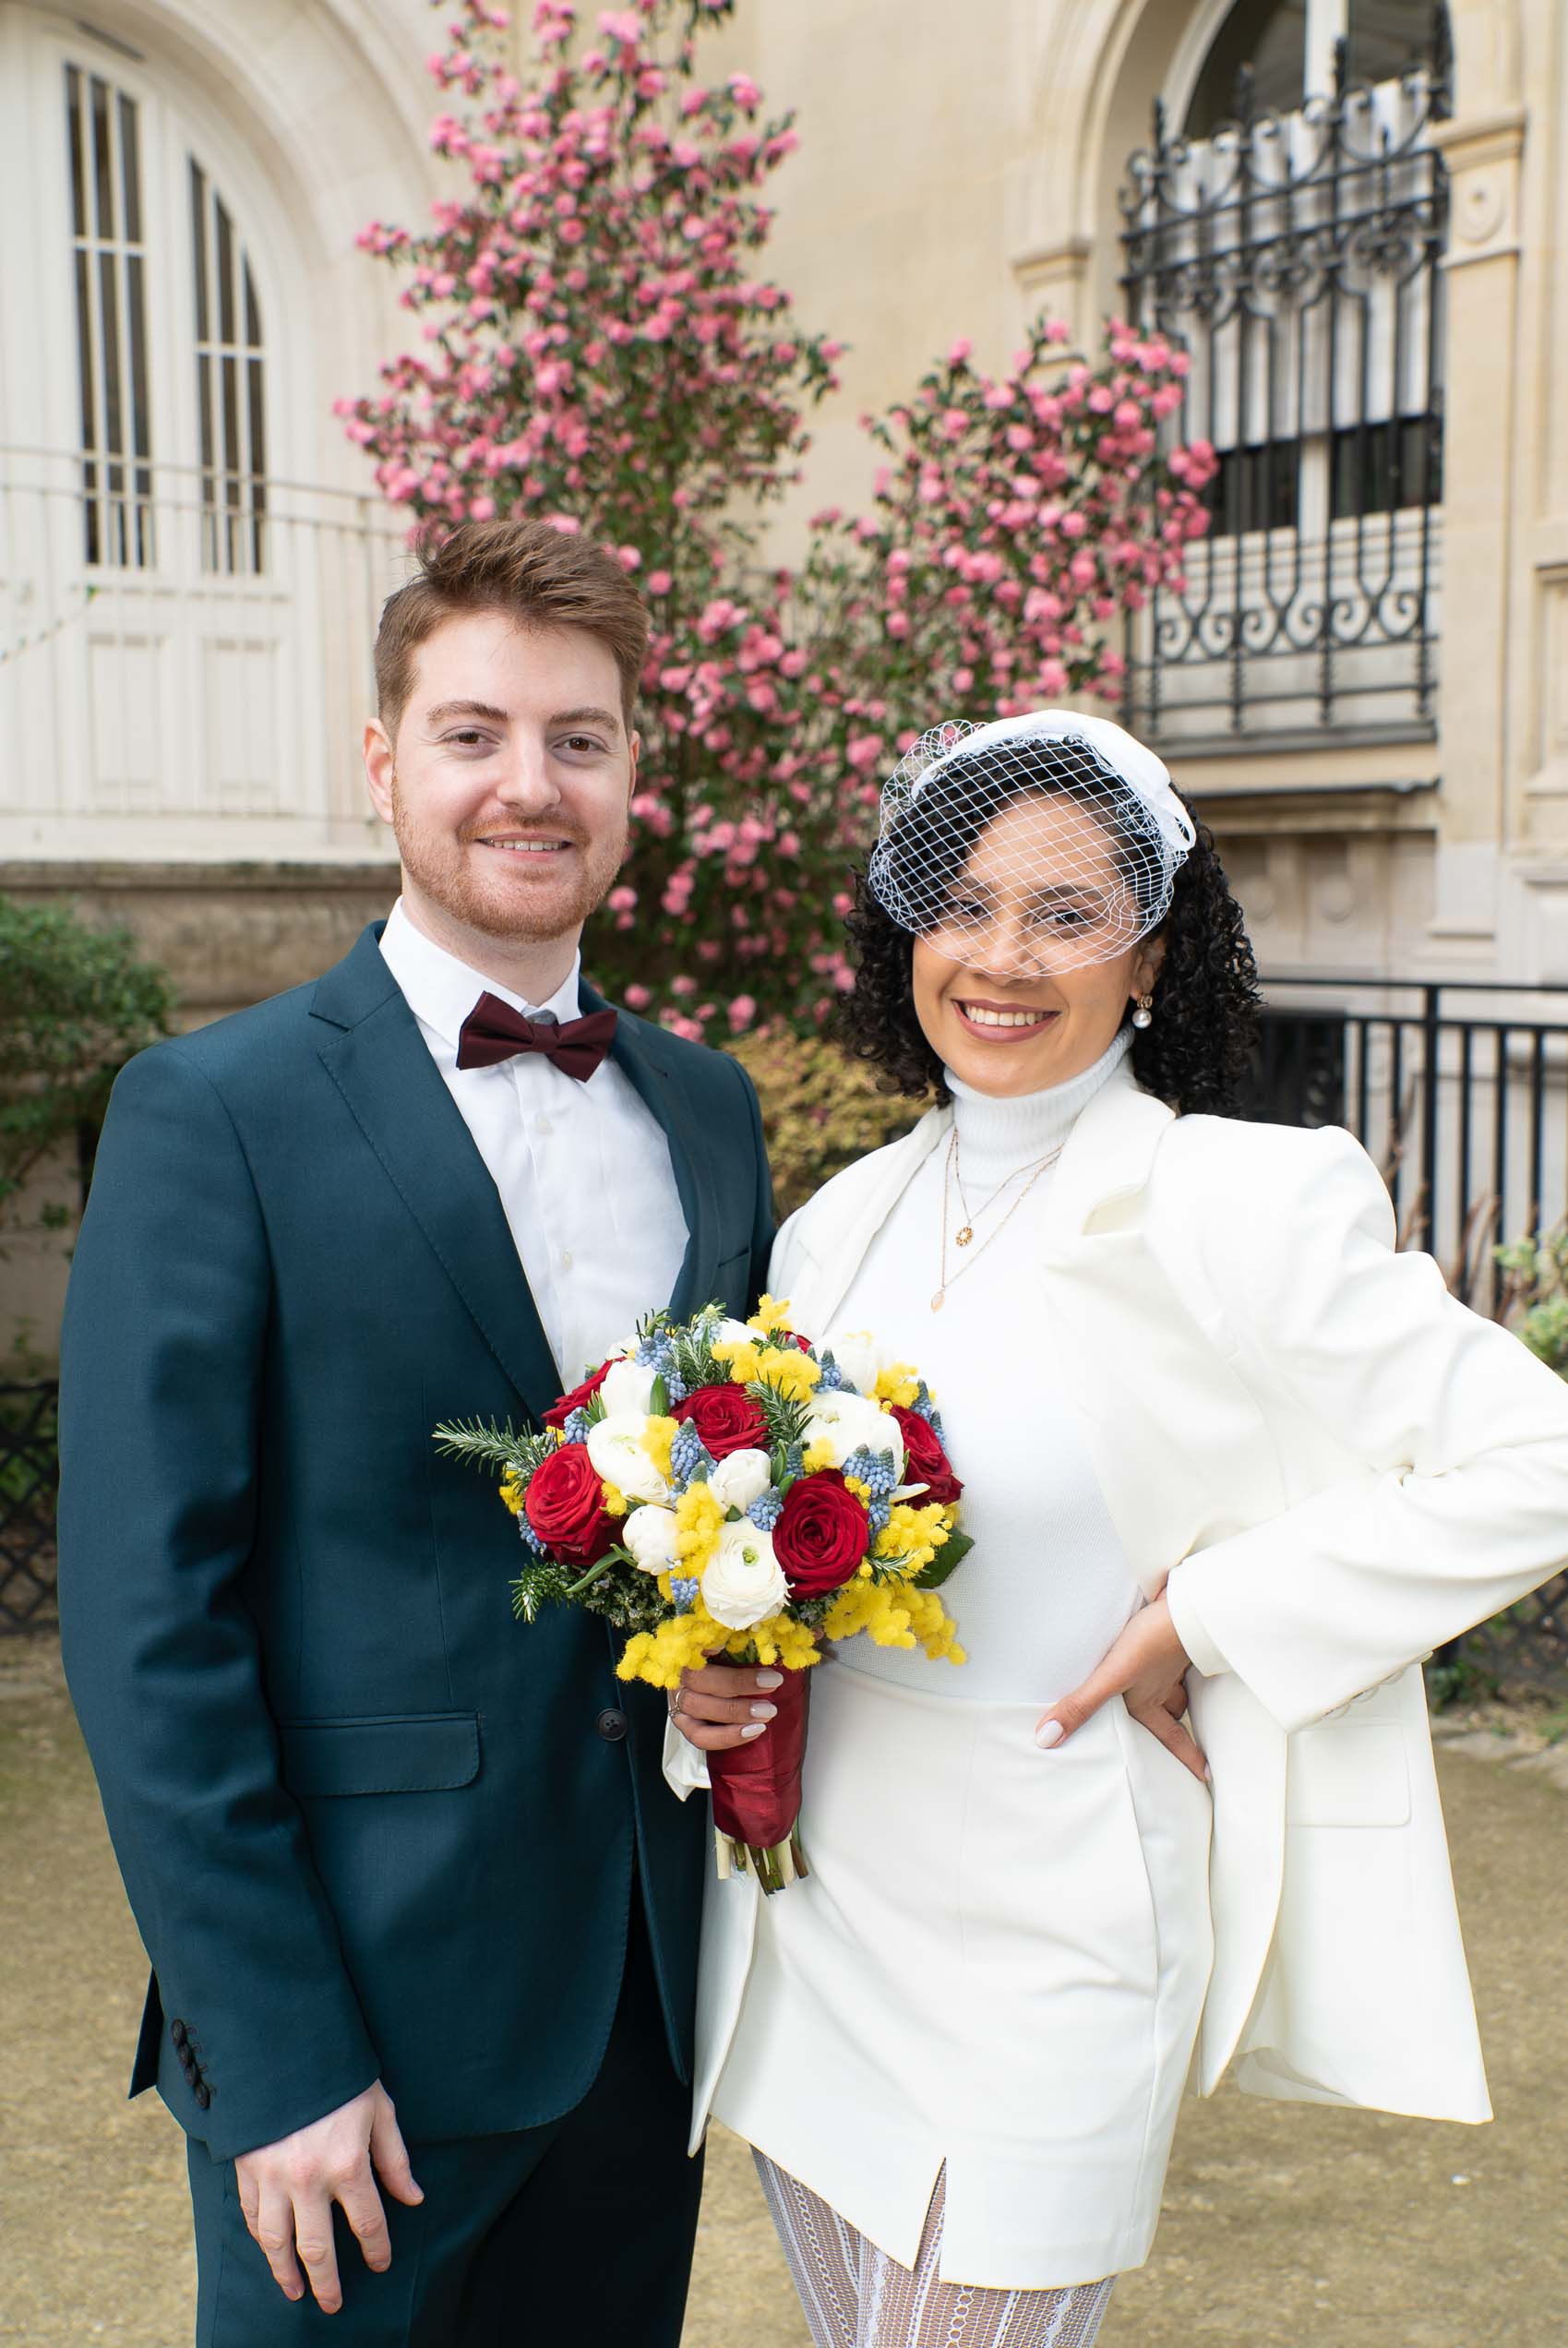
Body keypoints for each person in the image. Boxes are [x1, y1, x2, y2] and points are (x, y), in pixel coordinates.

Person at [669, 710, 1568, 2348]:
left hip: (1062, 1929)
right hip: (819, 1915)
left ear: (1152, 955)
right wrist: (708, 1683)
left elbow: (1540, 1460)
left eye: (1068, 914)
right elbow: (778, 1567)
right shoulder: (833, 1227)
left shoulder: (1239, 1199)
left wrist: (1207, 1619)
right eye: (964, 902)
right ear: (907, 930)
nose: (1003, 955)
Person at [56, 518, 772, 2344]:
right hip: (351, 2039)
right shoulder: (212, 1110)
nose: (529, 784)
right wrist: (276, 2055)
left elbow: (718, 1512)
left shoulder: (708, 1112)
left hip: (643, 2014)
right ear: (382, 762)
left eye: (579, 739)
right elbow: (148, 1627)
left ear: (632, 775)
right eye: (473, 734)